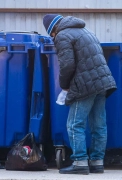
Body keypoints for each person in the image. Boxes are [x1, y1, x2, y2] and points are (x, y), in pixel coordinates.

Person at [42, 14, 117, 175]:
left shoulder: (62, 35)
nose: (53, 38)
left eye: (51, 35)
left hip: (85, 84)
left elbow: (67, 65)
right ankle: (97, 162)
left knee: (75, 124)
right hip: (102, 82)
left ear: (52, 30)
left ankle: (80, 162)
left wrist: (64, 86)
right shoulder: (85, 30)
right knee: (98, 125)